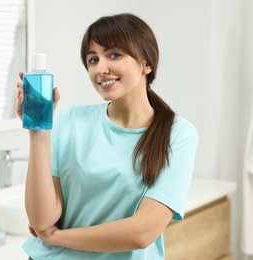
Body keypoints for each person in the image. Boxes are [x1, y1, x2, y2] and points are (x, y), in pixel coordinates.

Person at [16, 13, 199, 260]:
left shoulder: (178, 134)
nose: (100, 69)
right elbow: (42, 219)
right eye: (93, 60)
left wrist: (55, 237)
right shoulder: (71, 121)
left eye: (114, 55)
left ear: (146, 63)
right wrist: (38, 131)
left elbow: (142, 232)